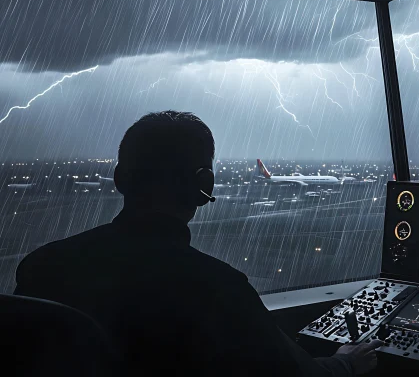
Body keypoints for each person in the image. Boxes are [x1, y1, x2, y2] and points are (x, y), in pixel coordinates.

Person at [14, 110, 381, 376]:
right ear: (204, 187)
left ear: (120, 179)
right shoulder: (218, 288)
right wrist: (346, 361)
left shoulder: (41, 266)